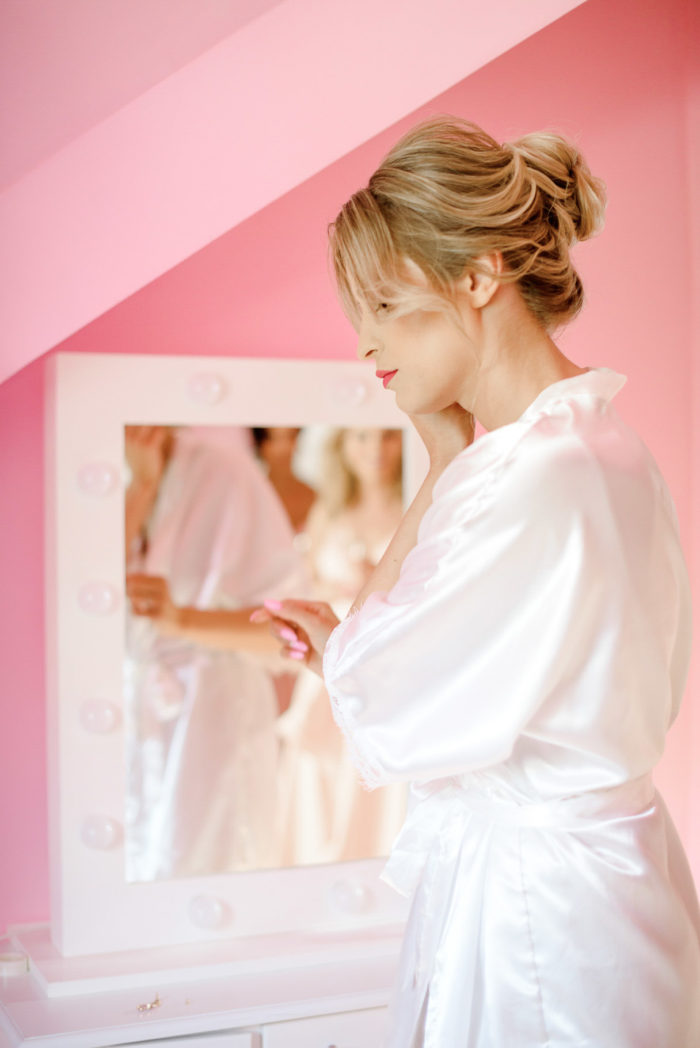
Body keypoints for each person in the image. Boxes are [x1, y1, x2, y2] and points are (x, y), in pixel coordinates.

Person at [251, 117, 700, 1047]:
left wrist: (439, 463)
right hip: (601, 895)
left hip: (541, 924)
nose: (366, 344)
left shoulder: (533, 474)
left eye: (384, 304)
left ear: (480, 273)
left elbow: (377, 693)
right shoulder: (599, 442)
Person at [124, 425, 306, 880]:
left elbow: (289, 631)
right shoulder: (78, 473)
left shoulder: (226, 474)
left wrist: (182, 620)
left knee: (213, 874)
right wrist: (140, 491)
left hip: (217, 717)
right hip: (128, 717)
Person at [276, 427, 406, 864]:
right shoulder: (327, 513)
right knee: (321, 774)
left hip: (384, 660)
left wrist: (380, 586)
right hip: (328, 657)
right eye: (362, 437)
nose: (375, 449)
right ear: (342, 446)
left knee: (373, 777)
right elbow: (311, 583)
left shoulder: (415, 509)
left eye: (388, 437)